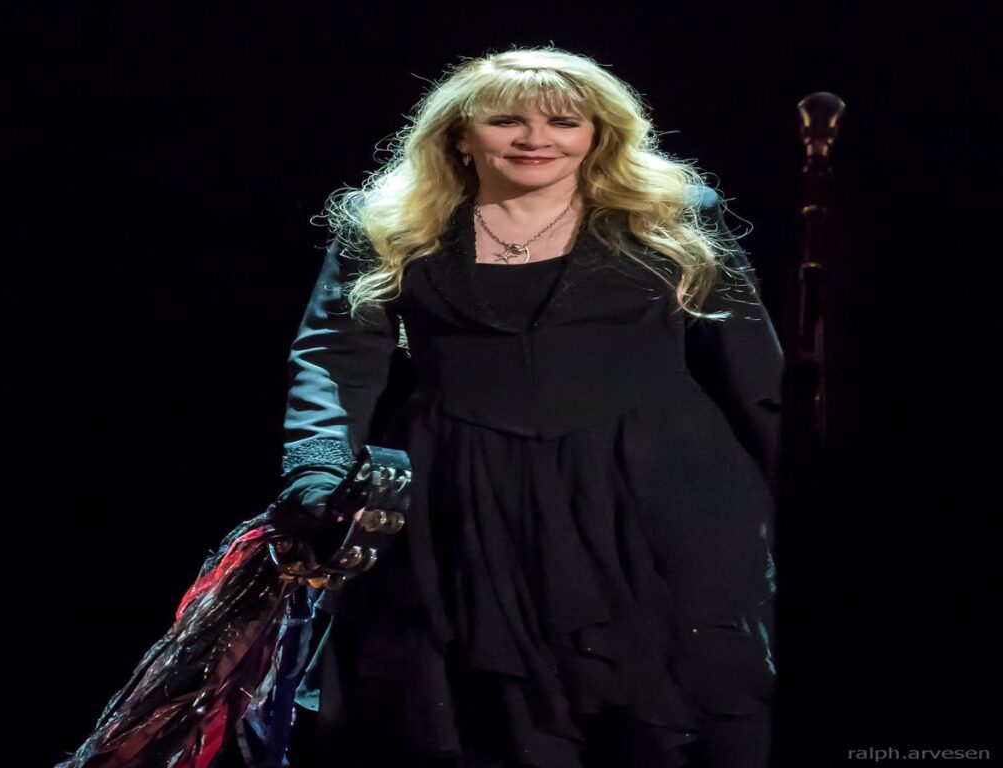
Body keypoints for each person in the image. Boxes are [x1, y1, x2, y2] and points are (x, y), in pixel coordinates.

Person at [275, 47, 783, 768]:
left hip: (660, 498)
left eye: (563, 121)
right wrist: (317, 469)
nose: (535, 137)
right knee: (494, 724)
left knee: (680, 714)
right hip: (466, 504)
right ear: (459, 134)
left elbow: (752, 367)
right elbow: (333, 357)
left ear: (597, 133)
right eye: (506, 119)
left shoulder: (667, 215)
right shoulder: (389, 223)